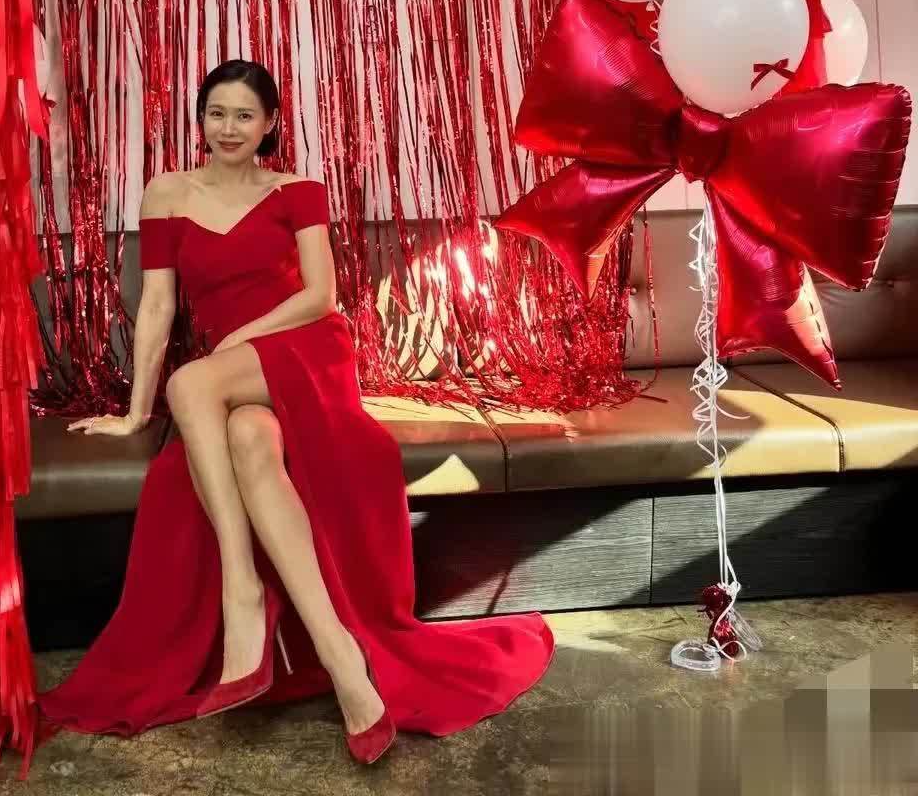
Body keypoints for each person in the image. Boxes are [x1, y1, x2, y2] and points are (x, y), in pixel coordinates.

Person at [38, 59, 553, 765]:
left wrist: (241, 338)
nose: (228, 128)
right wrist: (132, 414)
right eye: (216, 113)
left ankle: (242, 590)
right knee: (247, 433)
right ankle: (343, 662)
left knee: (191, 385)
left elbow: (320, 296)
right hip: (235, 379)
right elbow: (157, 305)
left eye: (244, 115)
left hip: (305, 349)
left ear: (270, 124)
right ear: (200, 118)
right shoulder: (166, 194)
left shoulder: (298, 191)